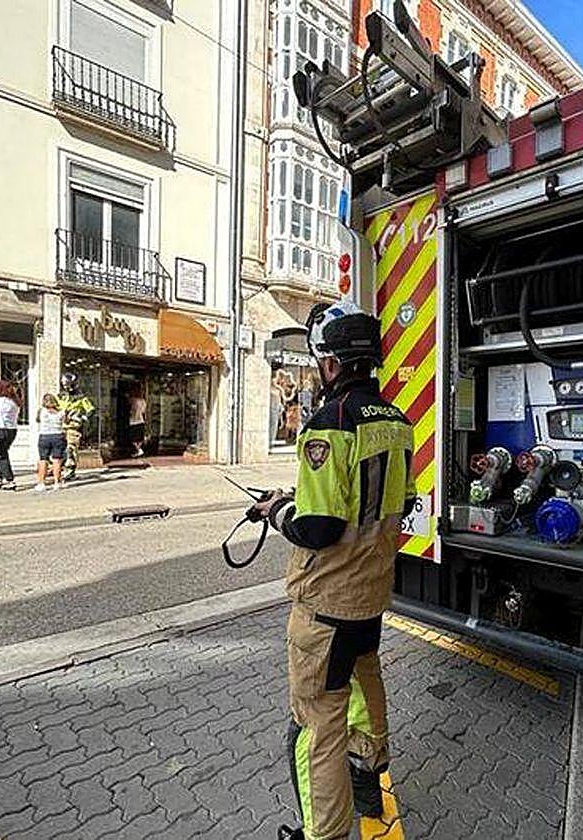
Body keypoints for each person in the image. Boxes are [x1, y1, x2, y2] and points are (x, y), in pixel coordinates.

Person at [255, 302, 415, 840]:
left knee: (316, 725)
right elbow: (402, 500)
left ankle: (323, 833)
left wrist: (277, 510)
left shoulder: (329, 425)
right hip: (371, 595)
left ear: (330, 362)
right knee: (365, 688)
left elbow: (318, 528)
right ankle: (369, 777)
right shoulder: (397, 423)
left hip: (326, 605)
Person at [32, 393, 67, 492]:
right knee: (57, 460)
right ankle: (57, 482)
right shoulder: (61, 412)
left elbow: (37, 420)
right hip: (58, 436)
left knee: (43, 460)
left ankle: (41, 483)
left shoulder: (41, 411)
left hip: (44, 436)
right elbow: (66, 421)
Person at [129, 385, 147, 458]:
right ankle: (138, 450)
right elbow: (143, 411)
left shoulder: (133, 400)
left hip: (134, 421)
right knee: (140, 438)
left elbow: (131, 410)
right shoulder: (143, 401)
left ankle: (139, 450)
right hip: (141, 420)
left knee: (133, 438)